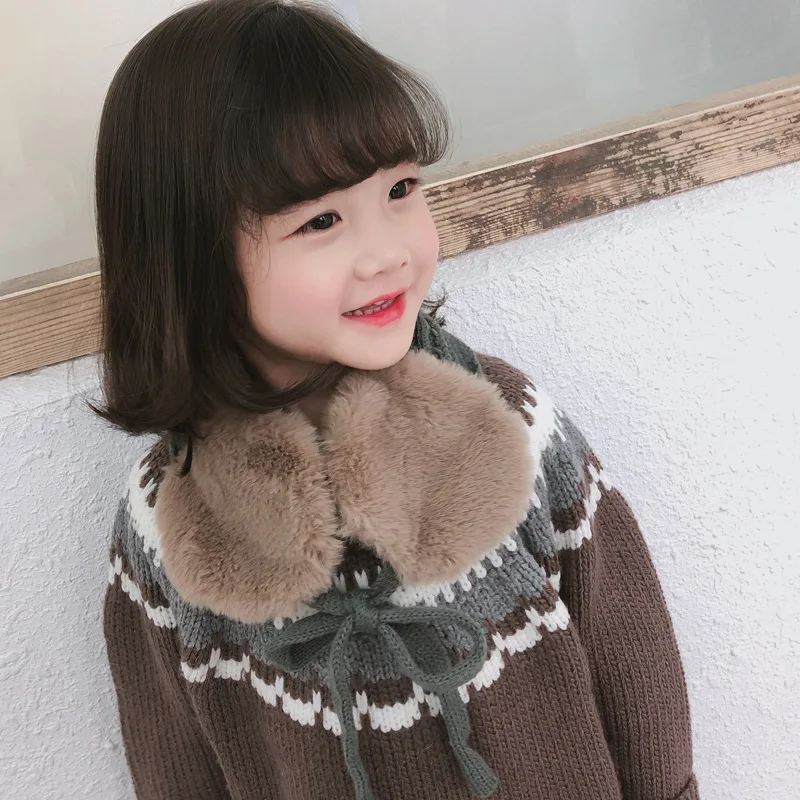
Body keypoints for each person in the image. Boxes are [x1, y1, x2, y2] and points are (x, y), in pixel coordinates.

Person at [90, 2, 700, 799]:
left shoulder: (506, 422)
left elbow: (631, 654)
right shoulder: (166, 522)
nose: (386, 252)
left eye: (402, 188)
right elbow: (171, 759)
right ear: (188, 254)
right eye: (321, 220)